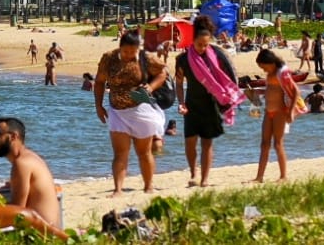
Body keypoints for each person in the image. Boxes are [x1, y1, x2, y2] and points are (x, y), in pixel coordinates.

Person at [95, 30, 168, 195]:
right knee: (120, 153)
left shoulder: (146, 58)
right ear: (120, 47)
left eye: (132, 52)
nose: (129, 55)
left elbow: (163, 73)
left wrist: (150, 87)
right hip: (117, 111)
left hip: (140, 110)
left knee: (144, 152)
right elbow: (99, 82)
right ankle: (118, 189)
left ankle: (148, 186)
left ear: (138, 49)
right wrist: (98, 106)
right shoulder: (109, 58)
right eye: (125, 51)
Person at [174, 14, 241, 188]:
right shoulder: (182, 60)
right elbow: (179, 83)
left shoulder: (215, 56)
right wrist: (180, 102)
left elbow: (228, 74)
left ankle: (204, 179)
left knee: (207, 142)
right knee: (190, 142)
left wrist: (229, 96)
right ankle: (193, 172)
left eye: (206, 44)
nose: (203, 48)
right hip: (191, 104)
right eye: (199, 44)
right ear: (192, 40)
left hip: (211, 104)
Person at [0, 117, 65, 236]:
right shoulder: (31, 158)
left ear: (13, 136)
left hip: (42, 237)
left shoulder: (22, 164)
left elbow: (17, 213)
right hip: (50, 232)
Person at [252, 48, 302, 183]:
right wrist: (257, 92)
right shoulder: (270, 75)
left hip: (280, 112)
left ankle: (283, 176)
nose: (263, 70)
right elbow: (270, 90)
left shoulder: (282, 73)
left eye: (263, 67)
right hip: (268, 112)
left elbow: (296, 91)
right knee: (264, 144)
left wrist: (291, 111)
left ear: (271, 63)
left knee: (278, 144)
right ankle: (259, 177)